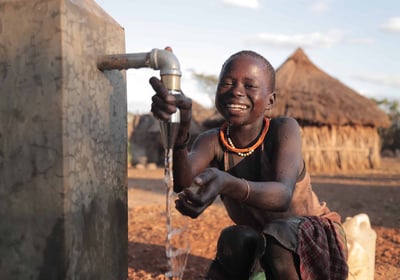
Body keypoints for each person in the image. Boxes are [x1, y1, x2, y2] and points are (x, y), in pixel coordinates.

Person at [150, 49, 348, 280]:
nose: (236, 91)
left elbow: (282, 196)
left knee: (278, 234)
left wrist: (225, 182)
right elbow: (183, 183)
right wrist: (181, 129)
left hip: (309, 238)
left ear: (270, 101)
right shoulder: (212, 140)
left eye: (250, 86)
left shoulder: (283, 130)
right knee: (234, 238)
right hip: (263, 241)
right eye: (227, 83)